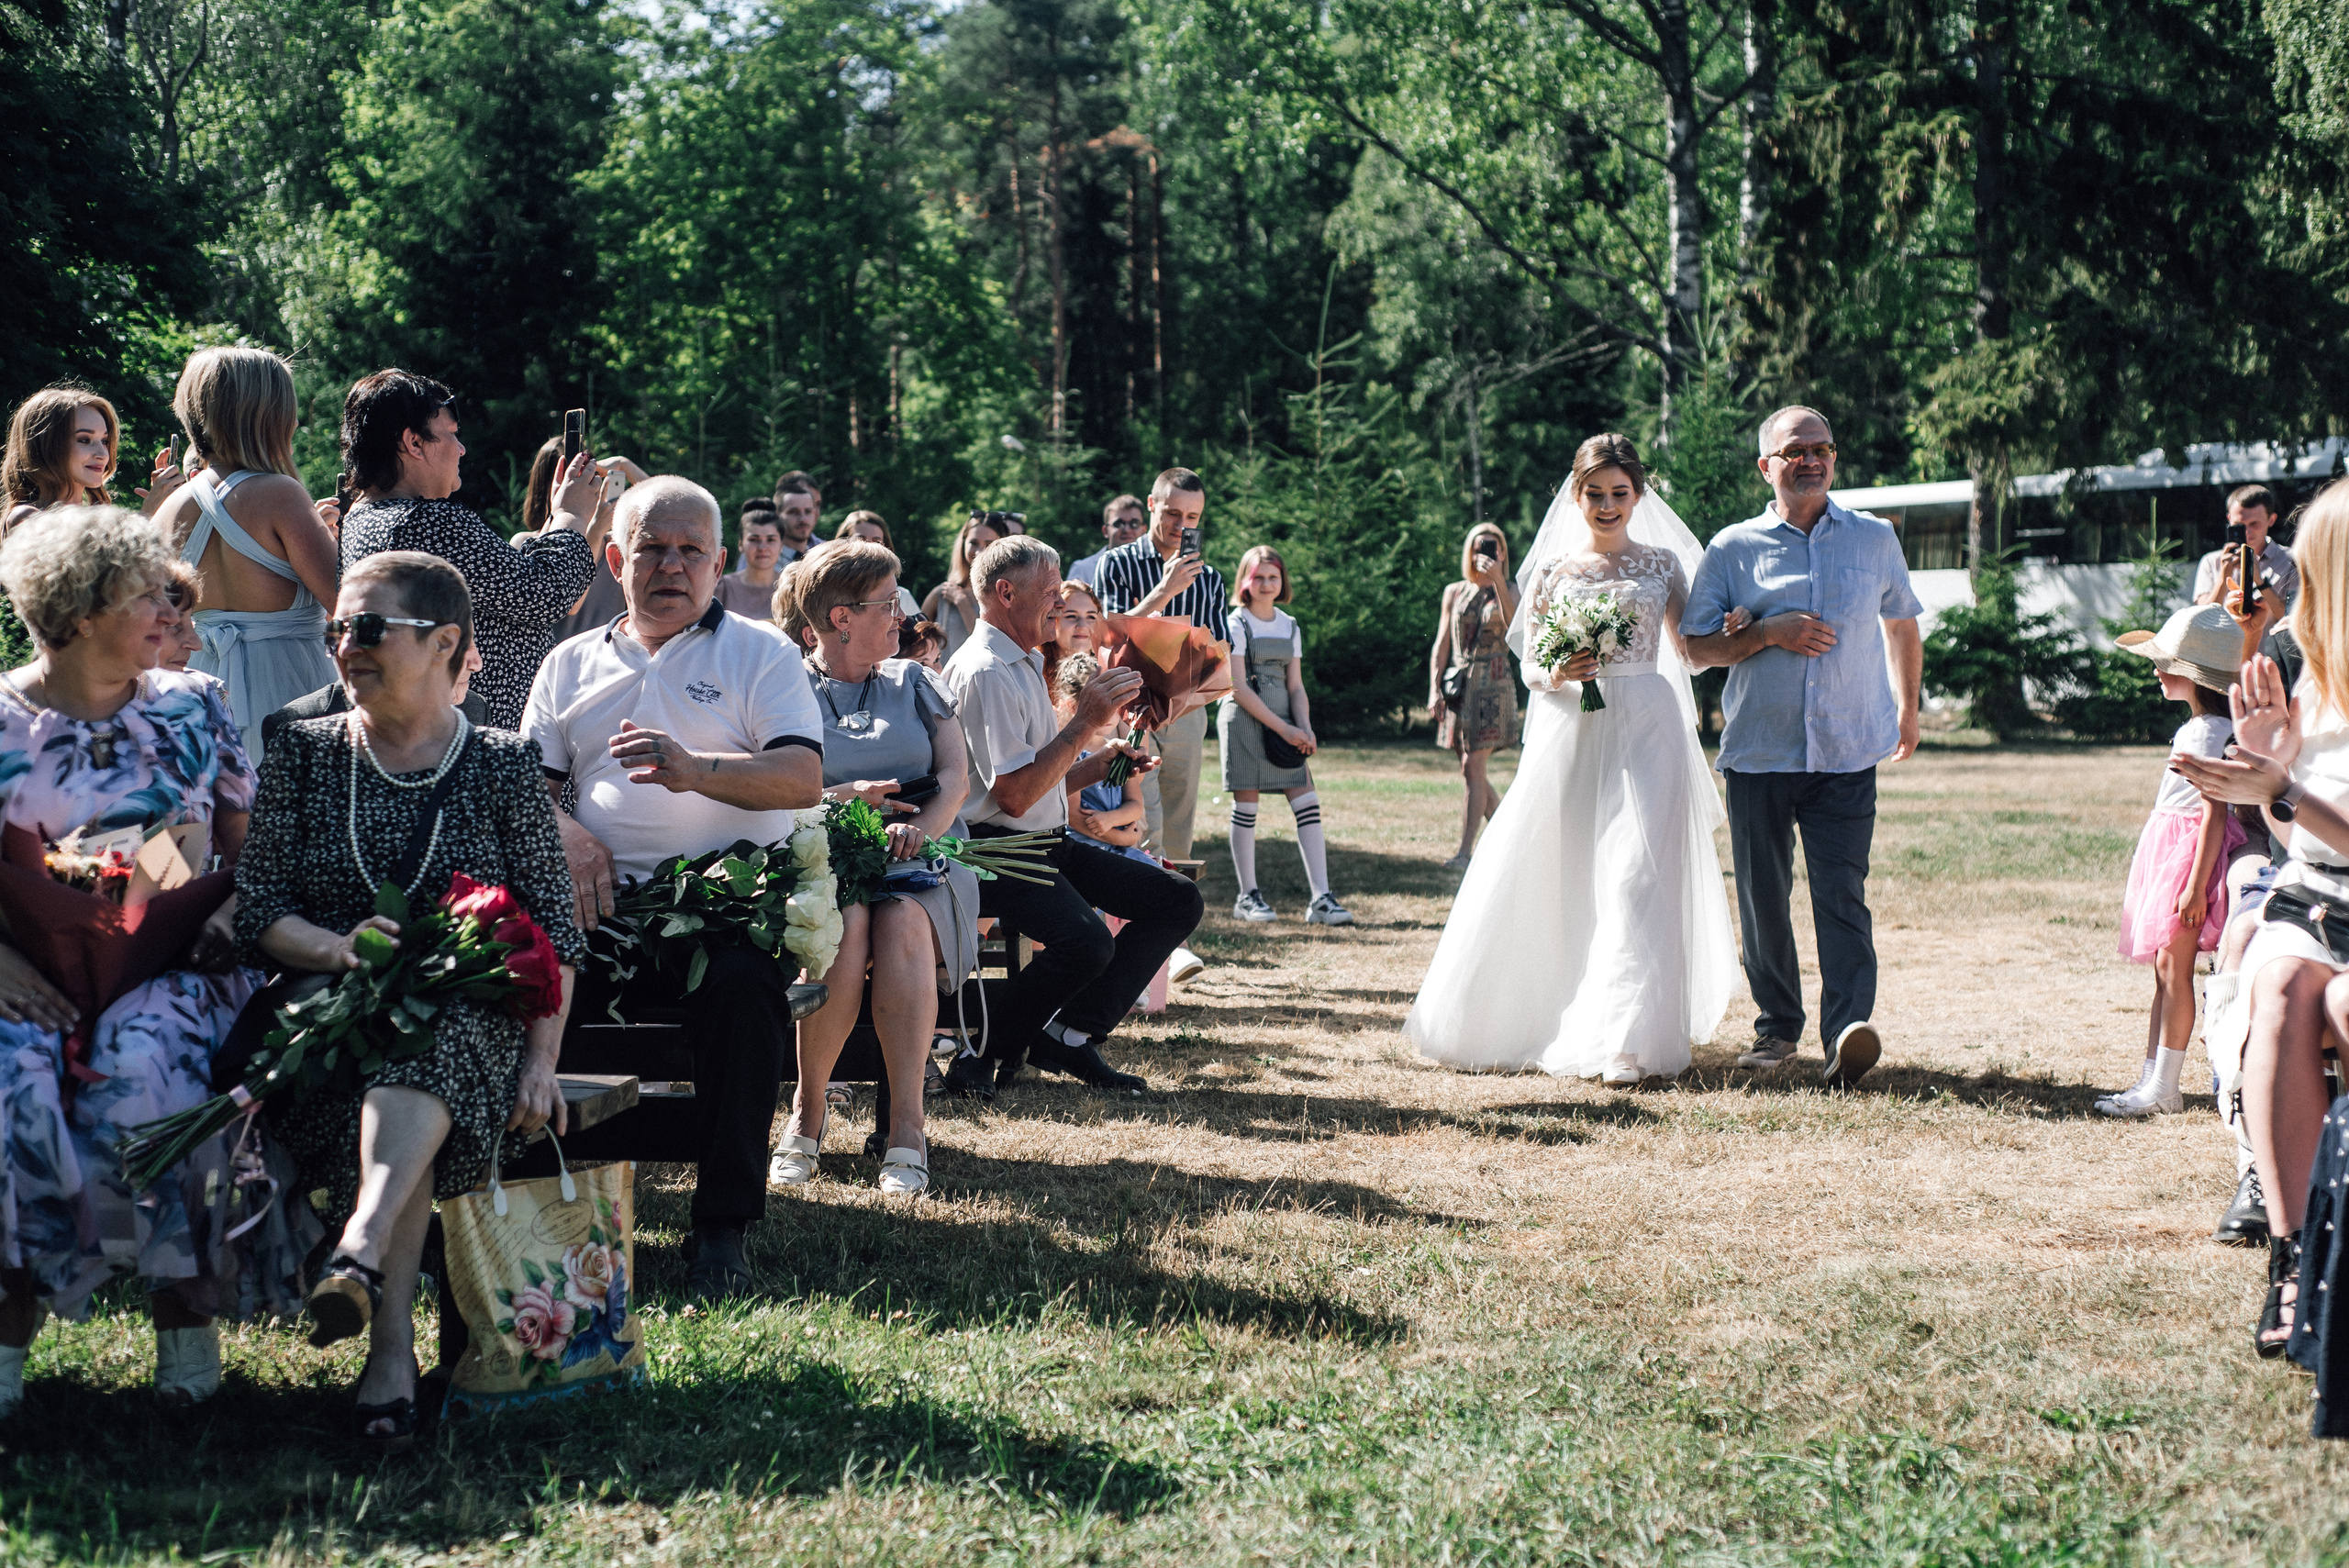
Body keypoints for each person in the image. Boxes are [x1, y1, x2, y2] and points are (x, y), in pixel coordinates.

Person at [237, 550, 580, 1447]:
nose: (345, 644)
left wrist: (542, 1060)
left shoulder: (503, 763)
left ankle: (369, 1282)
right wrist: (337, 948)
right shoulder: (302, 747)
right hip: (325, 1024)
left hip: (473, 1034)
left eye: (369, 627)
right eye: (338, 627)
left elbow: (555, 932)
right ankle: (379, 1304)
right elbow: (260, 908)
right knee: (398, 1061)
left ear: (444, 642)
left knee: (431, 1039)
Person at [0, 506, 316, 1417]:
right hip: (26, 967)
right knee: (12, 1078)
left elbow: (249, 846)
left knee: (150, 1063)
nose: (169, 610)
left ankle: (186, 1325)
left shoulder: (193, 703)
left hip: (177, 965)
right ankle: (8, 1334)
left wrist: (230, 911)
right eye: (143, 594)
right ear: (79, 611)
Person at [525, 476, 824, 1300]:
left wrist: (696, 771)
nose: (672, 565)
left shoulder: (761, 652)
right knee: (511, 981)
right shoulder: (569, 662)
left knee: (744, 988)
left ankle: (721, 1226)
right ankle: (518, 1196)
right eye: (652, 548)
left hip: (725, 912)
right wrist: (568, 832)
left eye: (692, 550)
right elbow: (529, 790)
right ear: (614, 559)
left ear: (719, 564)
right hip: (598, 911)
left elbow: (801, 776)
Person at [1405, 437, 1739, 1084]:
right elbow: (1532, 665)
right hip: (1574, 725)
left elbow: (1690, 651)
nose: (1608, 505)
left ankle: (1626, 1040)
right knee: (1561, 864)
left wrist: (1739, 630)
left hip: (1649, 723)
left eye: (1620, 493)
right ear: (1576, 496)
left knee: (1639, 872)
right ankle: (1528, 1011)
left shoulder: (1663, 564)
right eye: (1595, 493)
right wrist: (1561, 670)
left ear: (1638, 495)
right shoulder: (1556, 570)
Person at [1679, 406, 1923, 1089]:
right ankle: (1776, 1027)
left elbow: (1902, 624)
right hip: (1760, 752)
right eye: (1795, 451)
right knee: (1763, 897)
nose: (1811, 460)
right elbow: (1695, 648)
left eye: (1822, 448)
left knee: (1842, 894)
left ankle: (1846, 1032)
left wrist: (1908, 709)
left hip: (1846, 749)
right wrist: (1766, 633)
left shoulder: (1874, 538)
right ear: (1768, 466)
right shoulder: (1732, 548)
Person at [2171, 479, 2349, 1372]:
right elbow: (2292, 837)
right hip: (2313, 896)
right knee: (2274, 987)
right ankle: (2291, 1253)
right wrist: (2270, 771)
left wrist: (2280, 786)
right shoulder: (2301, 673)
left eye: (2315, 569)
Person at [937, 535, 1203, 1098]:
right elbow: (1012, 797)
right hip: (994, 851)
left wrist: (1099, 764)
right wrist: (1085, 723)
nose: (1060, 604)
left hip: (1039, 842)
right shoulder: (986, 669)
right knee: (1087, 944)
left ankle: (1069, 1036)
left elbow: (1034, 783)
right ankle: (980, 1055)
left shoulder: (1022, 659)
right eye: (1050, 591)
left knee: (1176, 900)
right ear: (1006, 593)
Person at [779, 541, 979, 1198]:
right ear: (842, 617)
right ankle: (807, 1112)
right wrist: (841, 800)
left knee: (901, 920)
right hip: (823, 854)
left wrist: (921, 833)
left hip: (928, 853)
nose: (903, 615)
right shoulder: (785, 687)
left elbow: (955, 777)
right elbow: (771, 789)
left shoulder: (915, 681)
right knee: (844, 921)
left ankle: (906, 1128)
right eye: (888, 603)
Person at [337, 370, 598, 729]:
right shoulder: (429, 522)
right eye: (452, 434)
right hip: (480, 731)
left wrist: (557, 516)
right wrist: (572, 515)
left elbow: (513, 586)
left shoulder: (359, 516)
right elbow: (546, 594)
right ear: (414, 443)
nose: (461, 449)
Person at [143, 348, 340, 759]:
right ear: (267, 417)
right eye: (288, 410)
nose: (296, 422)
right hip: (292, 689)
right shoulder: (280, 495)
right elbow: (345, 602)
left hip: (195, 692)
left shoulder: (171, 508)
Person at [2096, 606, 2248, 1118]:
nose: (2157, 671)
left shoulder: (2207, 732)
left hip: (2186, 858)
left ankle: (2163, 1086)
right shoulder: (2202, 727)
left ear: (2195, 675)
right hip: (2174, 850)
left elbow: (2213, 813)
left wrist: (2195, 886)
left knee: (2174, 969)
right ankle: (2152, 1080)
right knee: (2165, 969)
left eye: (2167, 663)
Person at [1094, 469, 1227, 866]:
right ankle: (1143, 893)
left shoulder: (1210, 580)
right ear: (1152, 505)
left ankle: (1176, 895)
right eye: (1172, 513)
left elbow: (1220, 650)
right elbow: (1106, 634)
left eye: (1192, 517)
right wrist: (1164, 592)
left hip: (1186, 709)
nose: (1181, 525)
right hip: (1130, 707)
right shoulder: (1116, 563)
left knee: (1180, 813)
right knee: (1142, 814)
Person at [1221, 545, 1352, 926]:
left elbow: (1296, 686)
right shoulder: (1235, 623)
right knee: (1247, 805)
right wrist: (1285, 729)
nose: (1266, 584)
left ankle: (1321, 899)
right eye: (1258, 576)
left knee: (1307, 801)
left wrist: (1304, 728)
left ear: (1282, 581)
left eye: (1273, 577)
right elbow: (1237, 687)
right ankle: (1247, 896)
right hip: (1246, 719)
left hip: (1287, 721)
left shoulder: (1290, 624)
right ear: (1245, 581)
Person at [1431, 523, 1522, 869]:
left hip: (1494, 684)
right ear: (1469, 551)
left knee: (1473, 766)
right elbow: (1442, 642)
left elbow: (1516, 630)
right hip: (1459, 685)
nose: (1485, 552)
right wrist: (1434, 688)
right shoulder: (1454, 591)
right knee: (1471, 771)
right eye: (1479, 546)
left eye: (1493, 547)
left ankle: (1465, 853)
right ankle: (1509, 837)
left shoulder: (1511, 589)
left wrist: (1497, 580)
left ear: (1503, 553)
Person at [2, 387, 186, 531]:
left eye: (105, 441)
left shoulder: (98, 520)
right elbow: (92, 566)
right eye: (85, 440)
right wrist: (147, 513)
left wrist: (163, 508)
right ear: (47, 446)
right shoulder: (26, 517)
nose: (103, 454)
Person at [523, 439, 646, 643]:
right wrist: (595, 532)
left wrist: (624, 465)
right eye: (572, 481)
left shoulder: (616, 547)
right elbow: (570, 603)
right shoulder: (527, 544)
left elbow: (670, 514)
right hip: (554, 661)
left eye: (589, 477)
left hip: (609, 660)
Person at [2193, 484, 2300, 613]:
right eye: (2239, 525)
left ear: (2271, 520)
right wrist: (2223, 576)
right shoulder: (2211, 561)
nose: (2247, 532)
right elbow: (2202, 617)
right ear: (2229, 519)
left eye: (2254, 524)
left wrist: (2260, 582)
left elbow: (2292, 617)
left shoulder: (2291, 561)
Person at [920, 513, 1006, 662]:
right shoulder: (942, 594)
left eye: (988, 544)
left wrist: (962, 602)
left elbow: (993, 644)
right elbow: (914, 643)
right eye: (974, 543)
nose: (979, 551)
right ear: (963, 544)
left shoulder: (1005, 596)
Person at [717, 505, 786, 618]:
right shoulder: (723, 588)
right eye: (753, 540)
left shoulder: (789, 589)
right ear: (740, 544)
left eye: (770, 540)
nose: (762, 548)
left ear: (781, 545)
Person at [1068, 494, 1148, 588]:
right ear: (1105, 531)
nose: (1127, 530)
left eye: (1134, 523)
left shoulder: (1155, 567)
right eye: (1119, 524)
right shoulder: (1082, 570)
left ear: (1144, 530)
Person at [1042, 578, 1103, 694]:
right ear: (1051, 620)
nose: (1082, 626)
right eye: (1071, 616)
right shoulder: (1034, 674)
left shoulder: (1111, 675)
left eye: (1091, 617)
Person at [772, 471, 821, 564]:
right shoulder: (764, 559)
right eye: (794, 512)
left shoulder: (824, 554)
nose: (803, 519)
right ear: (777, 515)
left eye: (808, 511)